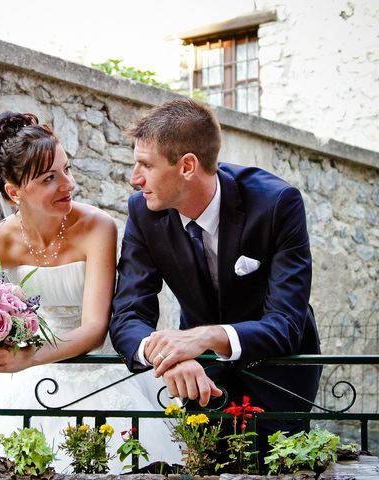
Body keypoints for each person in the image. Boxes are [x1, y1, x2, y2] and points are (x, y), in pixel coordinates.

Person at [0, 112, 181, 480]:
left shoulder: (97, 227)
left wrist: (28, 358)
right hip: (23, 385)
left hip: (98, 374)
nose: (69, 184)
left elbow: (95, 329)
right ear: (15, 192)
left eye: (66, 169)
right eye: (50, 178)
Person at [109, 98, 322, 452]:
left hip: (278, 377)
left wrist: (203, 337)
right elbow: (129, 313)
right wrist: (165, 355)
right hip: (199, 378)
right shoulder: (143, 213)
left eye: (145, 164)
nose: (135, 179)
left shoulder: (276, 205)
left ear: (188, 166)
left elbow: (285, 324)